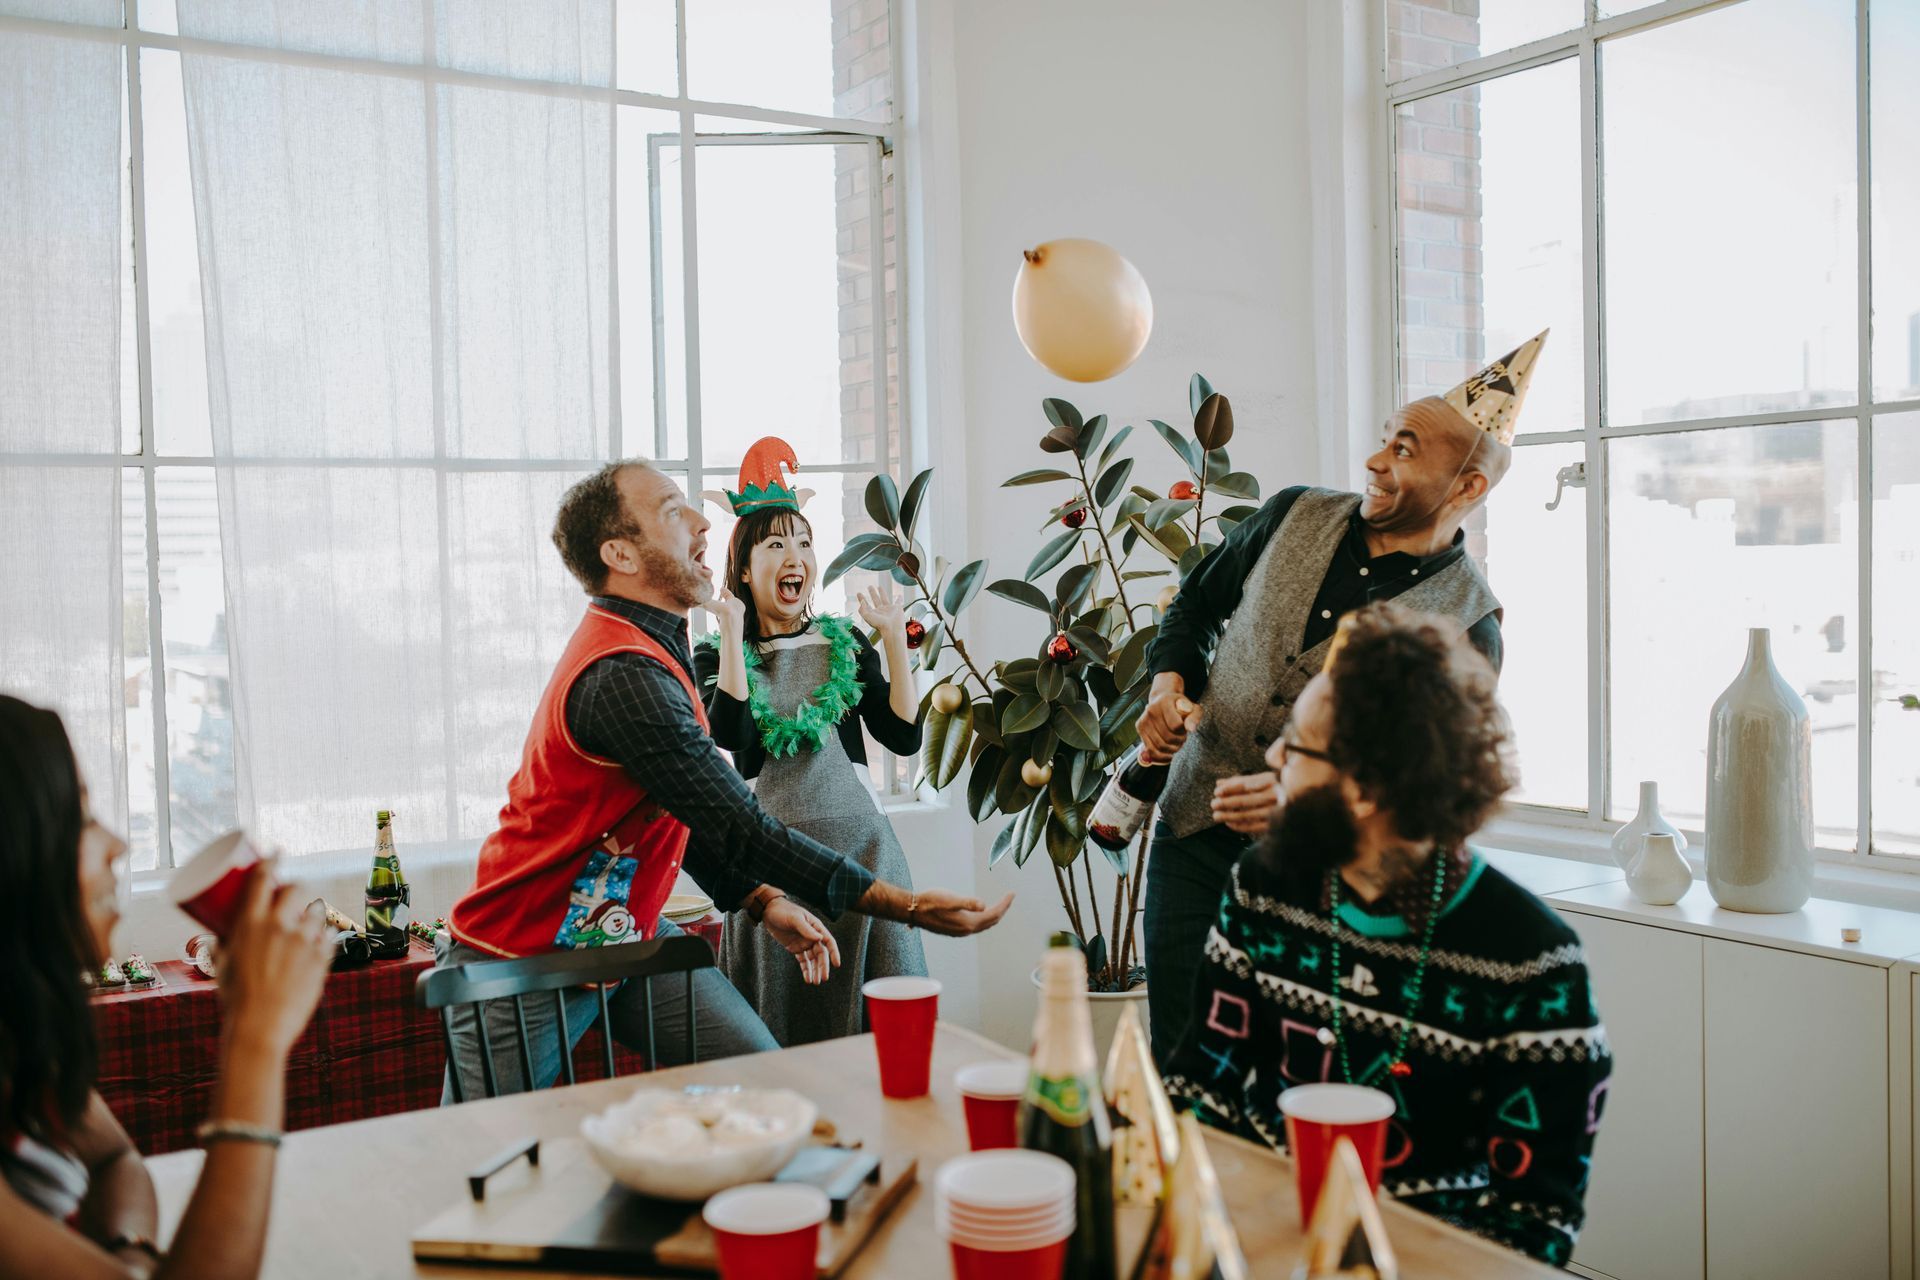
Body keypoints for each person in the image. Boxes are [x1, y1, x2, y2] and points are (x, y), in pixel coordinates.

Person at [439, 458, 1010, 1094]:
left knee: (763, 1084)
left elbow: (687, 813)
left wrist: (761, 901)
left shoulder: (660, 646)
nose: (701, 522)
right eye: (671, 511)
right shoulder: (624, 672)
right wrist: (904, 904)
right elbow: (735, 824)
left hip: (623, 934)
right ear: (620, 554)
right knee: (483, 1154)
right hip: (526, 955)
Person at [1136, 332, 1546, 1064]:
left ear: (1468, 488)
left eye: (1406, 449)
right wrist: (1169, 685)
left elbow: (1433, 798)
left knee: (1290, 1080)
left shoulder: (1470, 625)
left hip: (1323, 893)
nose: (1375, 461)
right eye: (1385, 438)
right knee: (1182, 1064)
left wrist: (1307, 804)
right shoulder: (1292, 512)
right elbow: (1196, 604)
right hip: (1191, 841)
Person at [1161, 604, 1609, 1267]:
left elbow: (1537, 1221)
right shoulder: (1263, 885)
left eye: (1298, 743)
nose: (1275, 755)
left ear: (1365, 790)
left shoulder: (1531, 962)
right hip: (1262, 1236)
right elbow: (1200, 1087)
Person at [0, 696, 334, 1279]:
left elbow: (113, 1159)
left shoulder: (17, 1040)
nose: (118, 845)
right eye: (79, 819)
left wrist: (131, 1254)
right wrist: (255, 1040)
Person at [693, 438, 929, 1045]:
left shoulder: (844, 643)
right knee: (780, 1041)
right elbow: (732, 732)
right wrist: (733, 630)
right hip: (773, 872)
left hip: (865, 859)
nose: (795, 555)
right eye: (775, 545)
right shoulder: (716, 655)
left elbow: (902, 735)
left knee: (886, 1037)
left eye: (803, 542)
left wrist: (893, 643)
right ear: (744, 568)